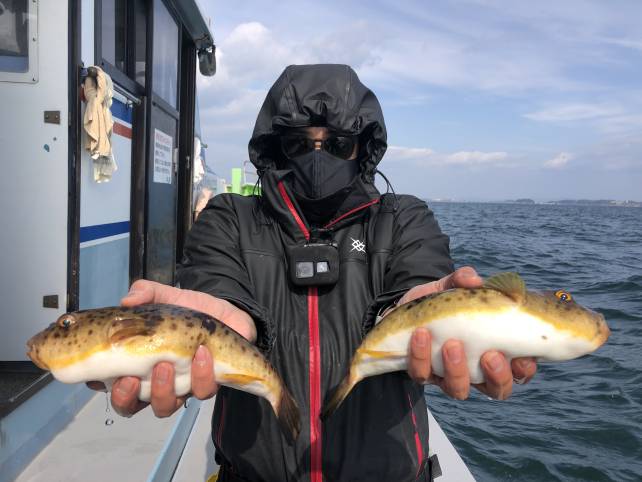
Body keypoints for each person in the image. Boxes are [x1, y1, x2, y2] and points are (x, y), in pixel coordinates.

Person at [95, 64, 537, 481]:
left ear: (362, 147)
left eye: (339, 144)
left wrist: (415, 315)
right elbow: (219, 291)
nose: (318, 157)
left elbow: (416, 283)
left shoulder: (403, 218)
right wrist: (221, 325)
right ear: (275, 147)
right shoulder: (229, 219)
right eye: (298, 144)